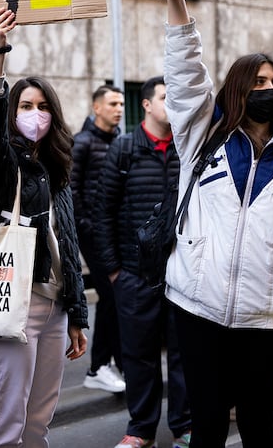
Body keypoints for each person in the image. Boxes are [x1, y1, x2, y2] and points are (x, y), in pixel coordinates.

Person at [150, 0, 273, 448]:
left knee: (257, 424)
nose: (266, 89)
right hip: (197, 306)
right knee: (206, 424)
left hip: (268, 314)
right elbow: (185, 72)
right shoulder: (200, 137)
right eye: (256, 82)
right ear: (236, 90)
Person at [0, 6, 88, 448]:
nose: (35, 114)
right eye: (25, 105)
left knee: (38, 423)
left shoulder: (55, 168)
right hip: (8, 304)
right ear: (11, 111)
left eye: (42, 107)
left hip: (53, 310)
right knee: (8, 424)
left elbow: (67, 248)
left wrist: (76, 313)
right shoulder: (0, 165)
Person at [93, 76, 192, 448]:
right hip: (134, 276)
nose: (175, 103)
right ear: (147, 105)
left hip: (182, 275)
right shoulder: (123, 149)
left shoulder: (189, 149)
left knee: (184, 355)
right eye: (167, 97)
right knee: (139, 356)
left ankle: (184, 425)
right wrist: (115, 270)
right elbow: (102, 212)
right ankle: (140, 430)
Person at [71, 85, 126, 392]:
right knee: (110, 295)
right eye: (113, 103)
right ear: (96, 108)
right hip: (92, 233)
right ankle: (98, 367)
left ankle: (115, 363)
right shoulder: (81, 143)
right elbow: (71, 189)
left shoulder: (120, 141)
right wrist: (86, 225)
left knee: (117, 297)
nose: (119, 108)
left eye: (121, 103)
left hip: (115, 232)